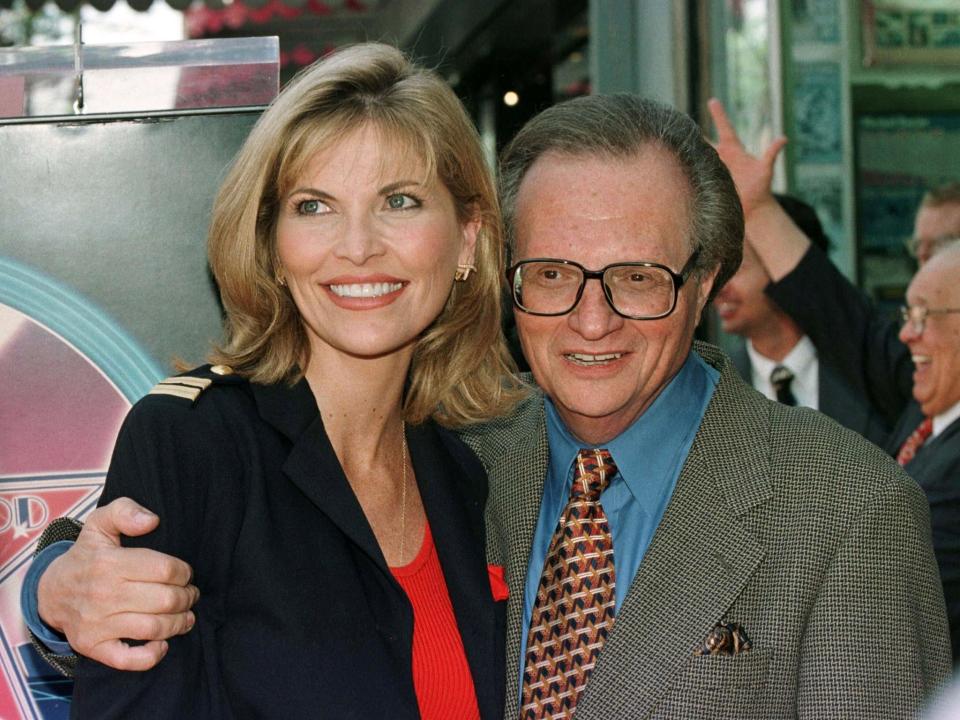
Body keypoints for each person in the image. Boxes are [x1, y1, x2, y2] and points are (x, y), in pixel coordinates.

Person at [26, 94, 952, 718]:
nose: (592, 320)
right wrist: (52, 586)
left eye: (637, 278)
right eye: (551, 274)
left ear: (706, 281)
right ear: (502, 271)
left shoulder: (847, 513)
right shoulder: (468, 452)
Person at [29, 41, 529, 719]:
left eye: (400, 200)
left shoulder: (472, 466)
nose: (357, 246)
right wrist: (48, 580)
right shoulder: (193, 441)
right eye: (315, 207)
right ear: (269, 244)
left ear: (467, 238)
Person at [709, 97, 960, 664]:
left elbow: (894, 569)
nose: (908, 337)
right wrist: (758, 209)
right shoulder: (924, 411)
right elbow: (850, 320)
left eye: (926, 318)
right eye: (907, 317)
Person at [715, 193, 890, 445]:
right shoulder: (709, 389)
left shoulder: (871, 373)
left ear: (788, 270)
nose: (718, 287)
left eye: (735, 269)